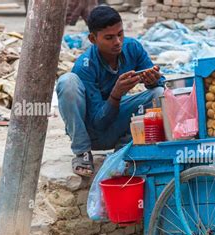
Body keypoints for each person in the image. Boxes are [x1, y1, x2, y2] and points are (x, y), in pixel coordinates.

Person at [57, 6, 165, 176]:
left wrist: (153, 81)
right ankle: (82, 153)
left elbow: (161, 84)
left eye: (120, 34)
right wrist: (116, 94)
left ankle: (125, 148)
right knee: (67, 82)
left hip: (118, 125)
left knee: (158, 93)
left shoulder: (132, 48)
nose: (117, 42)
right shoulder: (85, 65)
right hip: (93, 132)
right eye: (109, 37)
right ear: (93, 39)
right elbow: (98, 123)